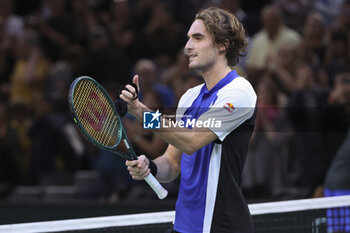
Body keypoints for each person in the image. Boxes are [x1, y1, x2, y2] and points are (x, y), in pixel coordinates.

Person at [120, 7, 257, 233]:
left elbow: (192, 140)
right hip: (183, 226)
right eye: (188, 39)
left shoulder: (239, 92)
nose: (187, 47)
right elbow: (172, 164)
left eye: (198, 38)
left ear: (223, 44)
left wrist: (140, 111)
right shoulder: (190, 97)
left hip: (221, 226)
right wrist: (151, 167)